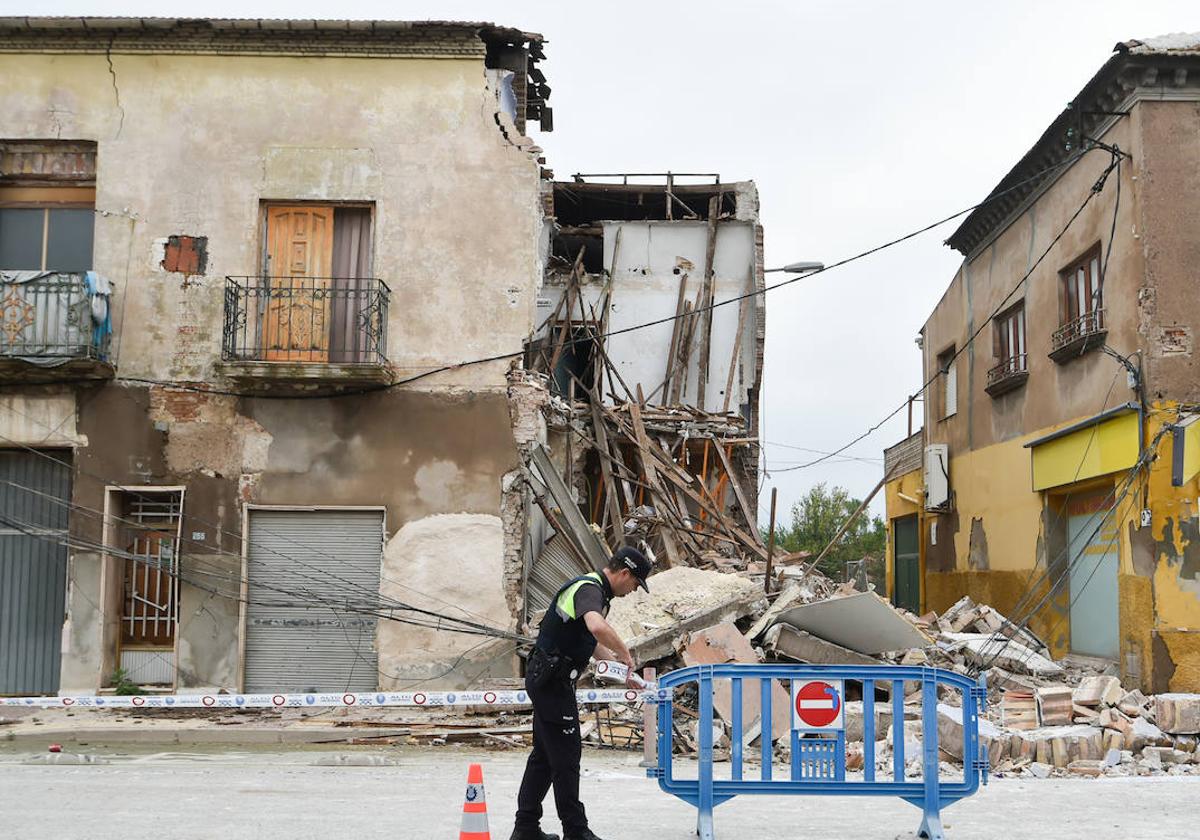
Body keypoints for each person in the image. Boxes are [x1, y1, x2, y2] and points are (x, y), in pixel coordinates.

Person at [511, 546, 651, 840]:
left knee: (545, 757)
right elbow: (597, 627)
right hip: (552, 683)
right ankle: (575, 831)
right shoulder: (590, 589)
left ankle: (525, 829)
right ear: (624, 573)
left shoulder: (592, 590)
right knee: (566, 757)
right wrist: (625, 652)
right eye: (635, 584)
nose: (633, 591)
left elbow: (590, 640)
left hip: (549, 680)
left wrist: (621, 672)